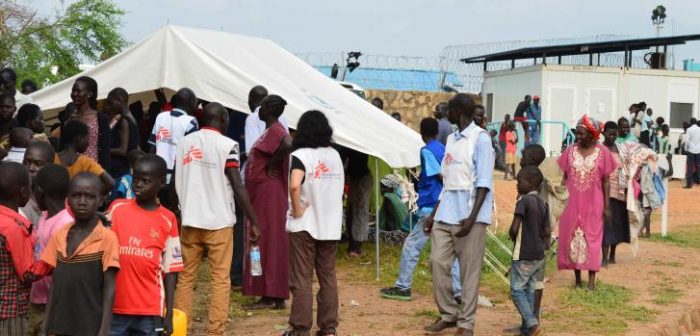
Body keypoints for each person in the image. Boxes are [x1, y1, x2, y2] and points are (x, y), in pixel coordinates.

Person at [173, 102, 260, 335]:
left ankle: (181, 329)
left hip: (190, 220)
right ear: (223, 119)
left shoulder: (184, 143)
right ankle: (215, 331)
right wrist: (253, 220)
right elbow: (237, 185)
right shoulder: (228, 145)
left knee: (185, 278)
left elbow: (175, 182)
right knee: (220, 280)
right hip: (219, 223)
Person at [423, 93, 494, 336]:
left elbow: (484, 183)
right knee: (437, 262)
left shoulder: (481, 139)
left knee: (469, 272)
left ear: (458, 111)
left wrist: (472, 218)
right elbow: (447, 181)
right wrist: (433, 215)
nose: (445, 114)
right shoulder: (452, 139)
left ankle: (466, 324)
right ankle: (449, 314)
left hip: (469, 215)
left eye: (449, 110)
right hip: (446, 212)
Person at [379, 118, 462, 302]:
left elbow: (440, 177)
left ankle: (403, 286)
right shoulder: (443, 148)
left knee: (411, 246)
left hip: (431, 206)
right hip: (446, 206)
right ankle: (458, 291)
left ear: (422, 132)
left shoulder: (426, 150)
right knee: (450, 248)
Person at [284, 110, 344, 336]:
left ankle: (300, 328)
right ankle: (328, 328)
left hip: (305, 225)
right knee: (327, 276)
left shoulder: (300, 155)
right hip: (330, 224)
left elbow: (294, 185)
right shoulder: (335, 155)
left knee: (302, 277)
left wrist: (298, 210)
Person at [108, 154, 183, 336]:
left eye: (146, 181)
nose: (138, 185)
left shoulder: (168, 219)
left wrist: (169, 312)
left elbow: (171, 270)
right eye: (136, 179)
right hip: (115, 307)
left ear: (161, 183)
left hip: (149, 310)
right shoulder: (117, 209)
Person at [41, 172, 120, 336]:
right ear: (68, 199)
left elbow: (109, 287)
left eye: (89, 196)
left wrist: (104, 330)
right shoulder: (60, 235)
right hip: (59, 325)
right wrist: (44, 327)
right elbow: (55, 285)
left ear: (100, 200)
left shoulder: (107, 238)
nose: (82, 202)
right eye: (76, 195)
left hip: (90, 326)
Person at [243, 94, 292, 309]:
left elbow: (288, 143)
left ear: (269, 109)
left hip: (269, 196)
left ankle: (269, 293)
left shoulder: (277, 131)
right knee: (263, 242)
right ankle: (269, 291)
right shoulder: (270, 131)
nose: (258, 110)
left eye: (262, 106)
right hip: (262, 195)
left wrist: (272, 164)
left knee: (265, 242)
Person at [557, 115, 615, 290]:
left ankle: (591, 282)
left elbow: (606, 181)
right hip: (571, 203)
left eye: (581, 133)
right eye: (577, 133)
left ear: (592, 134)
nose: (578, 137)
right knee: (572, 236)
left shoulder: (603, 153)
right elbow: (564, 177)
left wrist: (607, 206)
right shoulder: (570, 151)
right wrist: (560, 199)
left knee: (592, 239)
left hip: (594, 203)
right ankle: (577, 279)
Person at [28, 164, 73, 335]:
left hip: (52, 305)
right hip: (37, 299)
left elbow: (63, 269)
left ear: (39, 190)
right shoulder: (45, 216)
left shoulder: (63, 224)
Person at [0, 162, 43, 333]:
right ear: (24, 192)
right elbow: (28, 272)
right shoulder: (13, 229)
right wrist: (50, 262)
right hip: (9, 312)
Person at [508, 166, 550, 336]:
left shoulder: (524, 201)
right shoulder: (543, 202)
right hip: (539, 255)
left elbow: (515, 227)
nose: (517, 184)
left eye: (520, 181)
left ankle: (531, 323)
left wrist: (511, 234)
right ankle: (526, 329)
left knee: (517, 289)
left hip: (524, 254)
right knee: (530, 290)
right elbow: (547, 231)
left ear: (530, 183)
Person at [148, 88, 199, 182]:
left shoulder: (161, 116)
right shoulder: (190, 122)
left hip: (157, 173)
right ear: (191, 103)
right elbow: (190, 154)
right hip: (176, 176)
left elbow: (152, 147)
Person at [600, 121, 630, 266]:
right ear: (603, 133)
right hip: (603, 193)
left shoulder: (620, 149)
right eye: (609, 134)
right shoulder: (600, 149)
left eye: (614, 134)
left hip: (619, 192)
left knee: (617, 224)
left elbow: (626, 167)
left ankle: (612, 255)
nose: (612, 137)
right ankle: (604, 257)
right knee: (606, 224)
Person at [56, 120, 115, 193]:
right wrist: (90, 195)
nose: (88, 143)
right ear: (79, 138)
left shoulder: (51, 158)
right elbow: (111, 183)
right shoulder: (87, 162)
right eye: (87, 139)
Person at [71, 76, 111, 169]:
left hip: (94, 171)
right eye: (73, 91)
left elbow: (105, 150)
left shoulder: (101, 119)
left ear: (89, 94)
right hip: (73, 170)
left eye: (78, 91)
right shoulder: (70, 119)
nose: (74, 94)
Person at [244, 86, 289, 157]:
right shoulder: (283, 118)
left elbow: (251, 151)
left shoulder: (253, 118)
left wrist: (272, 162)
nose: (259, 110)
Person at [105, 87, 140, 180]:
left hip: (119, 170)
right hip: (117, 168)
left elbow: (123, 150)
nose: (107, 106)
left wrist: (102, 149)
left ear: (120, 101)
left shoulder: (125, 121)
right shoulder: (120, 118)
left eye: (110, 102)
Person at [21, 141, 56, 227]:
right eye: (26, 162)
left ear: (50, 166)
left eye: (38, 164)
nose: (30, 168)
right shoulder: (15, 198)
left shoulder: (57, 198)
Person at [684, 117, 700, 189]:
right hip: (699, 150)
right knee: (699, 166)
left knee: (690, 167)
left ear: (690, 123)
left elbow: (687, 140)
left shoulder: (689, 129)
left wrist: (685, 148)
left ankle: (689, 184)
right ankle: (698, 180)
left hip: (691, 150)